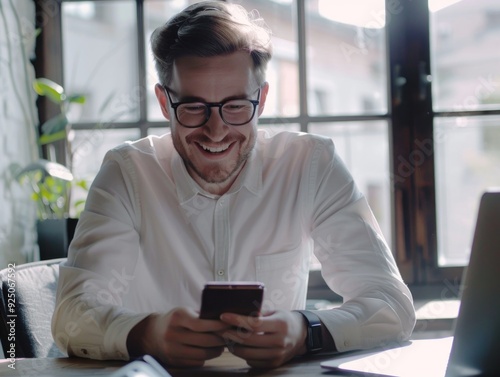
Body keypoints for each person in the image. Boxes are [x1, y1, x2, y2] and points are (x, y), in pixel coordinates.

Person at [52, 0, 415, 369]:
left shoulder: (310, 164)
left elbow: (391, 306)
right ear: (164, 102)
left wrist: (305, 331)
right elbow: (71, 315)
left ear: (262, 101)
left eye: (236, 105)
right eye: (193, 107)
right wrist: (147, 334)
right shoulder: (127, 173)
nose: (216, 130)